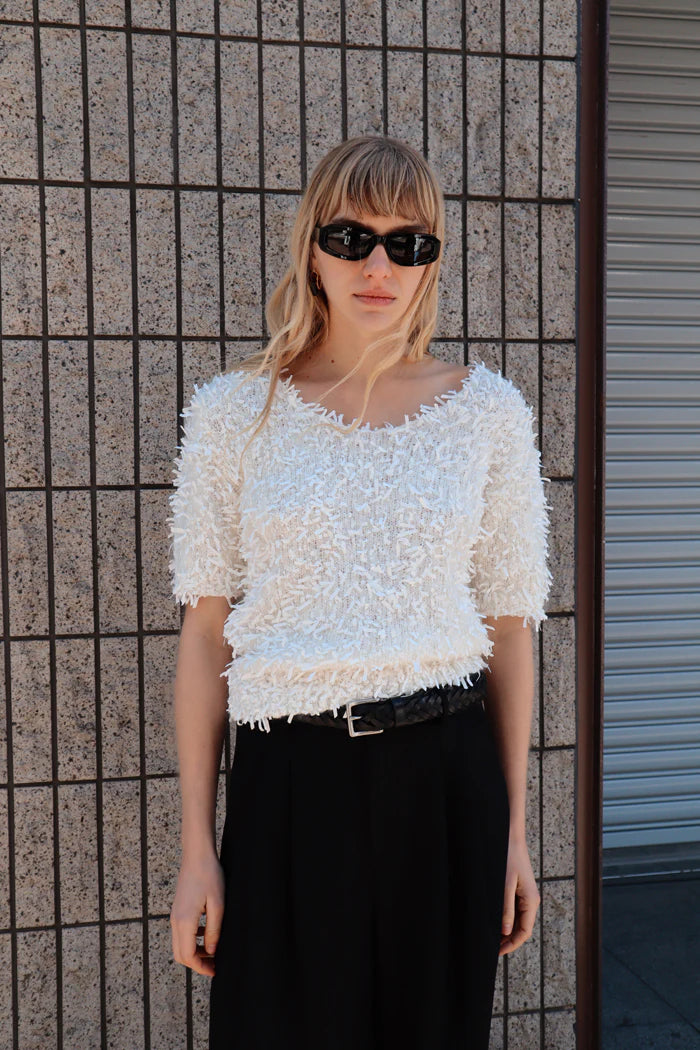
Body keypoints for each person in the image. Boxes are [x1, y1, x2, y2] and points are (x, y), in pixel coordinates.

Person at [167, 134, 553, 1050]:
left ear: (432, 263)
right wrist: (196, 851)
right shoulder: (232, 414)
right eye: (352, 238)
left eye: (408, 244)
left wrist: (513, 831)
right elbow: (205, 637)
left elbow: (511, 628)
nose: (379, 267)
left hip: (447, 782)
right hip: (290, 786)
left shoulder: (488, 412)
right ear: (313, 249)